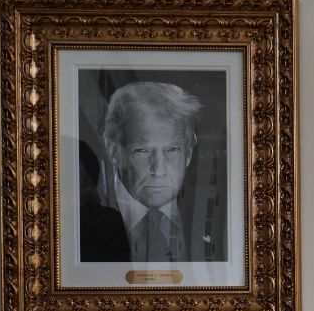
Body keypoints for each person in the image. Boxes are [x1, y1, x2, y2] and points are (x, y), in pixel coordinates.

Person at [79, 81, 221, 263]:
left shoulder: (218, 215)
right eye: (142, 150)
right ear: (114, 152)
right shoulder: (79, 225)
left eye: (172, 150)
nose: (159, 169)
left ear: (189, 152)